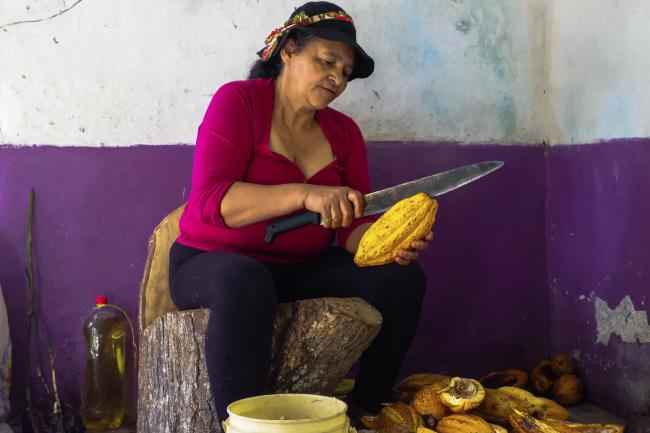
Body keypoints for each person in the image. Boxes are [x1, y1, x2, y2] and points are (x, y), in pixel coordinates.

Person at [168, 1, 433, 426]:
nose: (337, 78)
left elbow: (354, 224)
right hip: (208, 265)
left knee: (401, 278)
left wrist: (386, 243)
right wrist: (305, 194)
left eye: (345, 73)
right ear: (288, 50)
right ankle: (243, 423)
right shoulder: (239, 101)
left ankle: (369, 410)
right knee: (245, 279)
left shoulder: (344, 133)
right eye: (327, 61)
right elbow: (209, 202)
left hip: (301, 270)